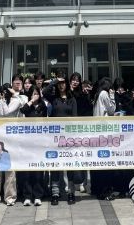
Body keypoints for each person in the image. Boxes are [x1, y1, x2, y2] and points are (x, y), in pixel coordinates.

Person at [0, 75, 28, 206]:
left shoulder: (17, 99)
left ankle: (10, 197)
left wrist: (3, 99)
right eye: (2, 91)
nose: (4, 93)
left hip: (11, 138)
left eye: (6, 91)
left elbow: (6, 113)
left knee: (10, 169)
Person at [43, 74, 77, 205]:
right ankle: (55, 193)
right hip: (55, 138)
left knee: (70, 166)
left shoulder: (71, 99)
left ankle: (71, 192)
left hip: (68, 138)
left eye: (63, 83)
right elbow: (44, 92)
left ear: (67, 84)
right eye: (59, 83)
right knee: (56, 165)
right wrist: (55, 81)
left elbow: (75, 117)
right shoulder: (54, 98)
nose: (61, 85)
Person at [19, 85, 47, 205]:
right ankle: (27, 196)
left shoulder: (43, 106)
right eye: (33, 93)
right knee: (27, 170)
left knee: (38, 171)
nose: (35, 95)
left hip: (39, 142)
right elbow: (23, 111)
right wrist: (31, 101)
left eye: (37, 93)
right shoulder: (28, 106)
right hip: (27, 142)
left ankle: (38, 196)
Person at [90, 77, 116, 200]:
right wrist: (112, 96)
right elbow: (111, 110)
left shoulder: (97, 94)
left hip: (97, 130)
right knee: (106, 163)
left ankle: (97, 189)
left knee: (99, 162)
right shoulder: (105, 94)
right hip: (105, 130)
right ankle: (105, 191)